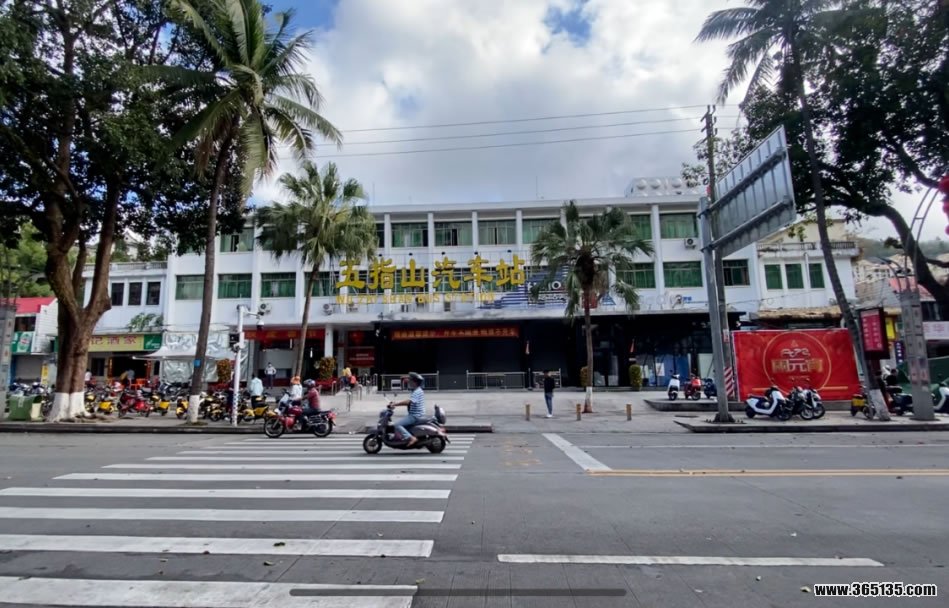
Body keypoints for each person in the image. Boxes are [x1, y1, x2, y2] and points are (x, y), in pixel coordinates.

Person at [390, 372, 426, 446]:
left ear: (414, 382)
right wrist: (404, 378)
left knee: (397, 425)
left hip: (414, 416)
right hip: (416, 414)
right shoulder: (417, 390)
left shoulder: (417, 392)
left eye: (410, 380)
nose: (409, 381)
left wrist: (395, 404)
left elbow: (409, 401)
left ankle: (411, 438)